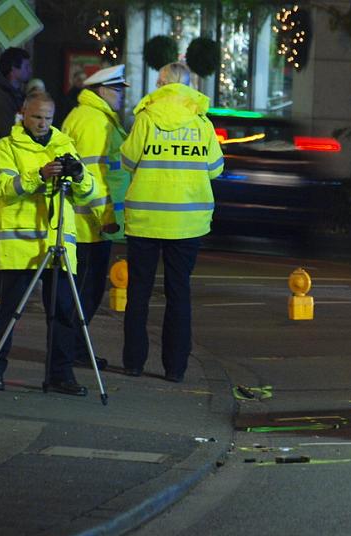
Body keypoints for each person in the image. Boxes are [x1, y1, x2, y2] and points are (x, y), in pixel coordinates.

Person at [0, 92, 102, 396]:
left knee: (63, 313)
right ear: (23, 114)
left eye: (48, 117)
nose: (43, 123)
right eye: (37, 117)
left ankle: (60, 376)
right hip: (21, 244)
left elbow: (88, 194)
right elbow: (4, 188)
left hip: (58, 242)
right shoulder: (6, 148)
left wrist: (80, 175)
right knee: (8, 310)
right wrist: (40, 175)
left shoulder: (65, 146)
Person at [119, 62, 223, 382]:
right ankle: (175, 368)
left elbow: (127, 161)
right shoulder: (200, 121)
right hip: (187, 222)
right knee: (179, 293)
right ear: (188, 84)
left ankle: (134, 363)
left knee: (139, 291)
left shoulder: (147, 118)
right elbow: (215, 168)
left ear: (162, 83)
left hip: (147, 219)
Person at [61, 64, 130, 371]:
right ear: (103, 90)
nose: (121, 97)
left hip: (86, 222)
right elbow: (90, 177)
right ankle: (74, 349)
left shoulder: (89, 116)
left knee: (82, 291)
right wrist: (104, 218)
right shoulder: (94, 122)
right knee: (86, 292)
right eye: (118, 91)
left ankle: (74, 348)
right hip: (89, 225)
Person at [0, 47, 32, 170]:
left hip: (8, 160)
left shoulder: (14, 95)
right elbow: (8, 131)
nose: (30, 70)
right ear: (13, 69)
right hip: (1, 162)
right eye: (26, 67)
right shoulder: (0, 98)